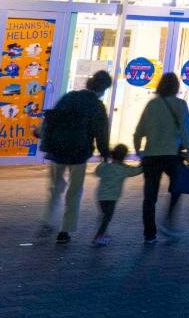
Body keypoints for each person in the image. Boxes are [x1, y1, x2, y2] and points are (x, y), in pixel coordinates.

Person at [37, 70, 113, 245]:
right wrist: (104, 153)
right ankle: (65, 230)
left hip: (57, 150)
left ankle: (47, 220)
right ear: (103, 89)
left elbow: (52, 118)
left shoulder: (69, 97)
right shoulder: (97, 106)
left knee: (55, 188)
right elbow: (101, 133)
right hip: (79, 153)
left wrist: (41, 132)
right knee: (74, 191)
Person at [132, 72, 189, 244]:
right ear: (176, 87)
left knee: (149, 197)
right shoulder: (180, 104)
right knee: (178, 187)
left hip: (151, 156)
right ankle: (168, 219)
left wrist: (138, 149)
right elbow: (185, 129)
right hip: (172, 155)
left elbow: (139, 130)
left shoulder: (152, 105)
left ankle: (149, 235)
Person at [90, 144, 140, 246]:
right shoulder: (124, 169)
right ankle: (98, 237)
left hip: (100, 196)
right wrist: (143, 164)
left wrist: (104, 161)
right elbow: (136, 171)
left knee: (104, 215)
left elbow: (97, 172)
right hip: (112, 198)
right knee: (107, 217)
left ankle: (103, 234)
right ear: (124, 156)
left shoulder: (106, 166)